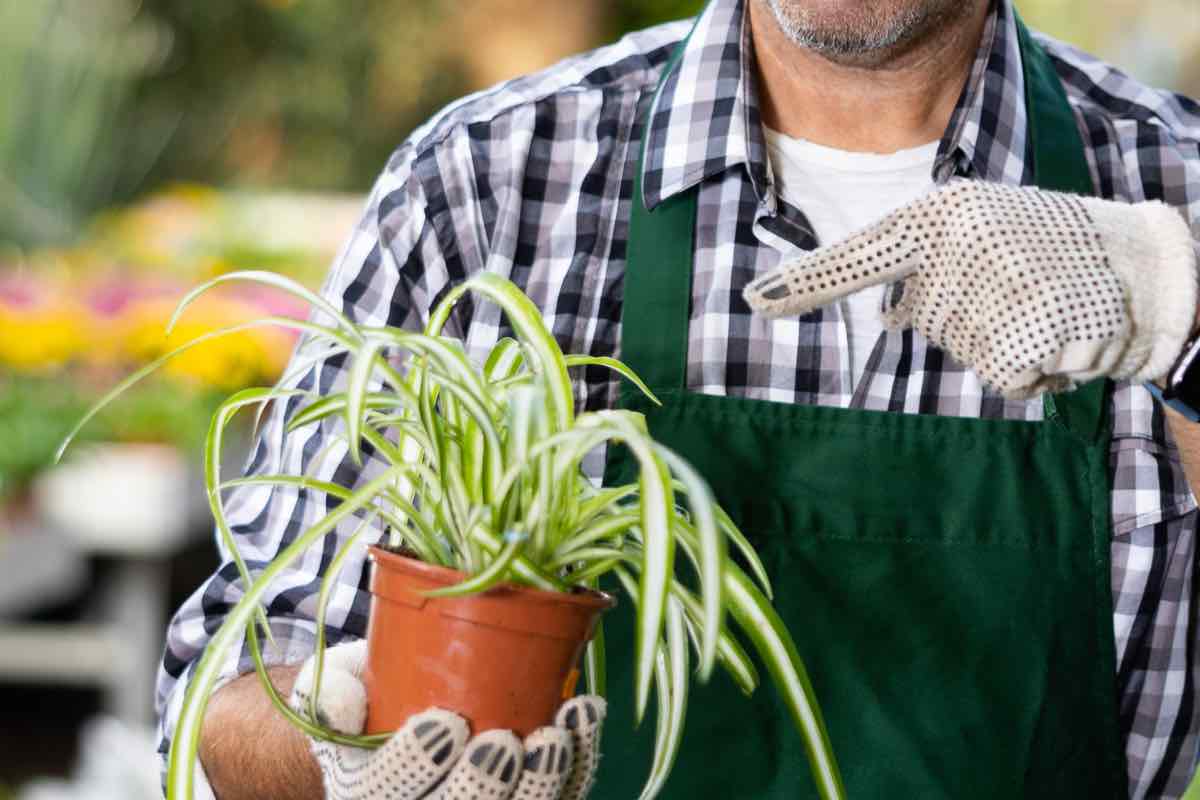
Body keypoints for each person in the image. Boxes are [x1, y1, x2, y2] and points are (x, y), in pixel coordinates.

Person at [156, 0, 1200, 797]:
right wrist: (348, 743)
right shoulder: (489, 187)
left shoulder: (1175, 192)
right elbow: (224, 689)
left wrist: (1188, 328)